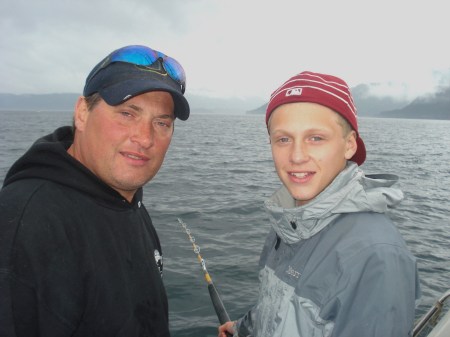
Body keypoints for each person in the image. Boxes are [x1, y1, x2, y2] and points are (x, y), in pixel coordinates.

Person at [0, 45, 189, 337]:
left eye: (162, 122)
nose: (145, 137)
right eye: (127, 113)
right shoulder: (25, 226)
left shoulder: (125, 201)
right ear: (82, 113)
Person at [219, 71, 421, 337]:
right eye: (283, 139)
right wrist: (243, 328)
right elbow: (277, 308)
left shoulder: (376, 257)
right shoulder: (289, 223)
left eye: (316, 138)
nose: (297, 156)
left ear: (349, 145)